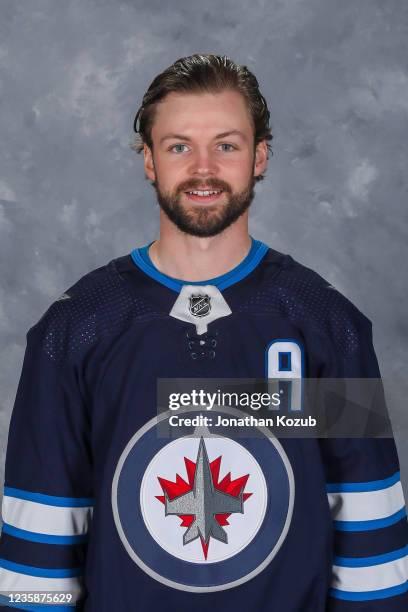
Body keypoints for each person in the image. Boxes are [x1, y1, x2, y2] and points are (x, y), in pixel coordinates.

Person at [0, 53, 407, 611]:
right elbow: (38, 547)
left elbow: (370, 534)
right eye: (178, 146)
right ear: (149, 160)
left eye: (227, 144)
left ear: (259, 156)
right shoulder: (72, 329)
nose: (203, 168)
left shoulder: (329, 325)